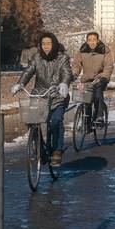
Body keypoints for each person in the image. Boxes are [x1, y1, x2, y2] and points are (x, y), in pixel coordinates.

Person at [12, 32, 72, 166]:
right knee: (31, 122)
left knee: (56, 121)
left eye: (49, 43)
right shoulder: (37, 57)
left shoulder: (62, 58)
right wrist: (20, 83)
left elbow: (67, 72)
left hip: (57, 95)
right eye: (43, 44)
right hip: (39, 96)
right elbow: (28, 71)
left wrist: (64, 84)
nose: (46, 46)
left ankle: (57, 150)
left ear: (54, 44)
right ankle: (40, 150)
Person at [71, 32, 114, 124]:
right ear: (86, 41)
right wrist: (74, 74)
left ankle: (99, 116)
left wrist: (104, 77)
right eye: (89, 40)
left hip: (99, 79)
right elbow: (76, 64)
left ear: (98, 41)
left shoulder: (105, 50)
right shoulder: (82, 50)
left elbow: (108, 66)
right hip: (86, 80)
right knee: (86, 100)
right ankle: (86, 122)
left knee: (98, 95)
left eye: (94, 40)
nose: (92, 42)